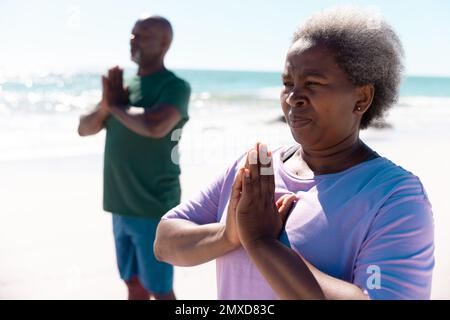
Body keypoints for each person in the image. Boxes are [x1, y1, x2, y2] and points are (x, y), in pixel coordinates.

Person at [154, 7, 434, 300]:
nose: (293, 97)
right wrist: (227, 236)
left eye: (313, 83)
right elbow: (164, 242)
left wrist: (263, 243)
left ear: (361, 98)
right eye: (288, 83)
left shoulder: (394, 197)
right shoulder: (256, 169)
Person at [78, 15, 191, 300]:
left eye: (142, 35)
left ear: (165, 43)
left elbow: (155, 125)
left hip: (153, 204)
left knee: (160, 289)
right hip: (119, 203)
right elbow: (84, 127)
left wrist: (115, 107)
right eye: (132, 34)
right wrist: (107, 105)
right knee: (133, 283)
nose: (133, 40)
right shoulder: (123, 87)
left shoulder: (174, 86)